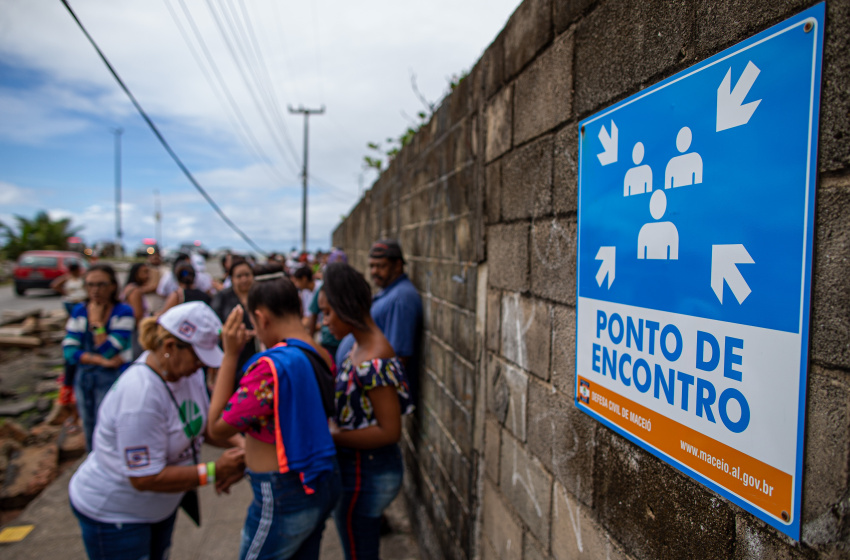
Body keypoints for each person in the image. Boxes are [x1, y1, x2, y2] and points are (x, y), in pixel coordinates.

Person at [68, 302, 246, 560]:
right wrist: (213, 471)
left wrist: (242, 447)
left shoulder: (186, 373)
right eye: (198, 357)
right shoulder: (140, 398)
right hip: (117, 514)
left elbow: (202, 424)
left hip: (158, 508)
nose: (201, 366)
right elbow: (144, 478)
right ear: (171, 347)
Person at [208, 274, 341, 560]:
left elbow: (217, 427)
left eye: (254, 326)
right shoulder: (320, 354)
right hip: (320, 479)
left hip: (283, 491)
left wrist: (230, 355)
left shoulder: (270, 369)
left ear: (261, 318)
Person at [320, 262, 414, 560]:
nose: (324, 322)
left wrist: (335, 435)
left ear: (345, 307)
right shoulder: (358, 346)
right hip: (361, 469)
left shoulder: (374, 358)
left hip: (366, 473)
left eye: (328, 312)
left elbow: (389, 431)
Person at [335, 240, 423, 401]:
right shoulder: (389, 293)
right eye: (372, 266)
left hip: (374, 395)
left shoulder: (401, 299)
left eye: (381, 266)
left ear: (397, 265)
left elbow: (399, 357)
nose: (374, 271)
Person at [62, 264, 135, 451]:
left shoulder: (124, 312)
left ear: (112, 286)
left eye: (101, 285)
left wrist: (96, 324)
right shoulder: (79, 311)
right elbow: (69, 351)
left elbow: (109, 350)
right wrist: (101, 361)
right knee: (89, 425)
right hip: (84, 378)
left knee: (109, 425)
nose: (95, 290)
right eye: (90, 285)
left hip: (111, 379)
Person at [210, 257, 258, 387]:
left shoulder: (259, 296)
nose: (244, 279)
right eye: (239, 276)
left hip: (254, 354)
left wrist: (255, 333)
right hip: (229, 354)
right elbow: (214, 326)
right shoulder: (222, 297)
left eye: (247, 275)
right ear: (232, 279)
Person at [122, 263, 150, 358]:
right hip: (136, 333)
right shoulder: (135, 291)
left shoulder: (130, 287)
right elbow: (138, 315)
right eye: (144, 272)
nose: (147, 275)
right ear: (136, 274)